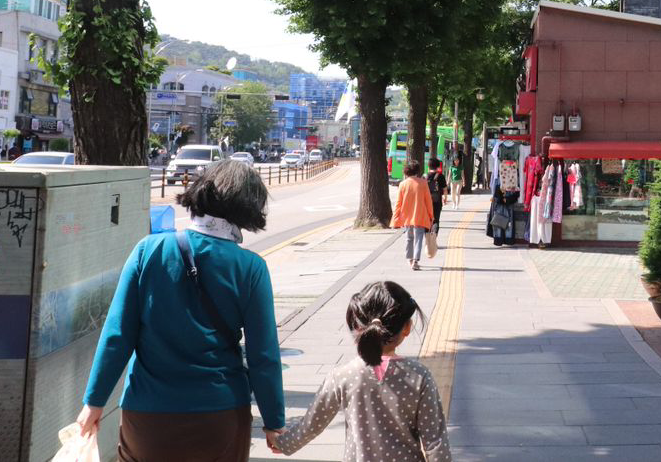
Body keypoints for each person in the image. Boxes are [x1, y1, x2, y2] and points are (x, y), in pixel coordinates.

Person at [76, 160, 284, 461]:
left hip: (148, 414)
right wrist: (274, 422)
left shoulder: (148, 251)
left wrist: (94, 402)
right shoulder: (251, 268)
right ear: (248, 208)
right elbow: (263, 356)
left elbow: (117, 335)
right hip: (220, 414)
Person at [268, 281, 450, 461]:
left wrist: (281, 442)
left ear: (357, 327)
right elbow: (435, 443)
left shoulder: (342, 376)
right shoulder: (419, 376)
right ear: (407, 328)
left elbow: (309, 426)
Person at [391, 160, 435, 270]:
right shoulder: (423, 183)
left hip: (406, 216)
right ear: (417, 171)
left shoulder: (403, 184)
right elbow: (428, 201)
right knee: (418, 238)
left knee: (409, 238)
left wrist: (395, 218)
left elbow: (398, 203)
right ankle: (416, 260)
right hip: (420, 215)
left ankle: (409, 259)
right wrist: (431, 215)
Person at [426, 157, 448, 233]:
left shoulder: (425, 176)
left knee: (427, 220)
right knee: (436, 220)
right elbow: (445, 189)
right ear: (438, 166)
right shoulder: (441, 176)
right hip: (437, 201)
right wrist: (445, 198)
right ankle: (433, 239)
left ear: (428, 166)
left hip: (425, 202)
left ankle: (427, 242)